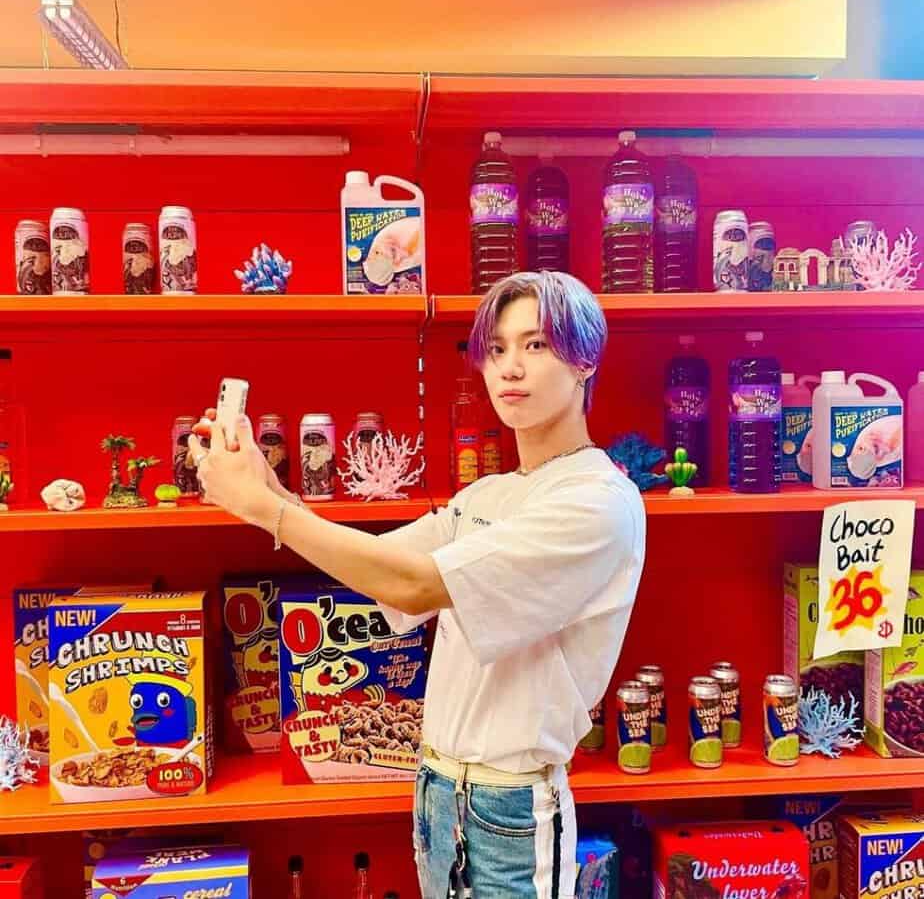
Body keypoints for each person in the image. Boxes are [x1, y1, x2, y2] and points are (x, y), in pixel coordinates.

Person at [190, 270, 646, 899]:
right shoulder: (488, 495)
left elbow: (414, 584)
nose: (510, 368)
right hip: (436, 792)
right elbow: (381, 565)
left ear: (585, 361)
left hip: (510, 808)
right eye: (496, 349)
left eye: (536, 345)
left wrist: (267, 510)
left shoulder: (596, 501)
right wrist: (269, 493)